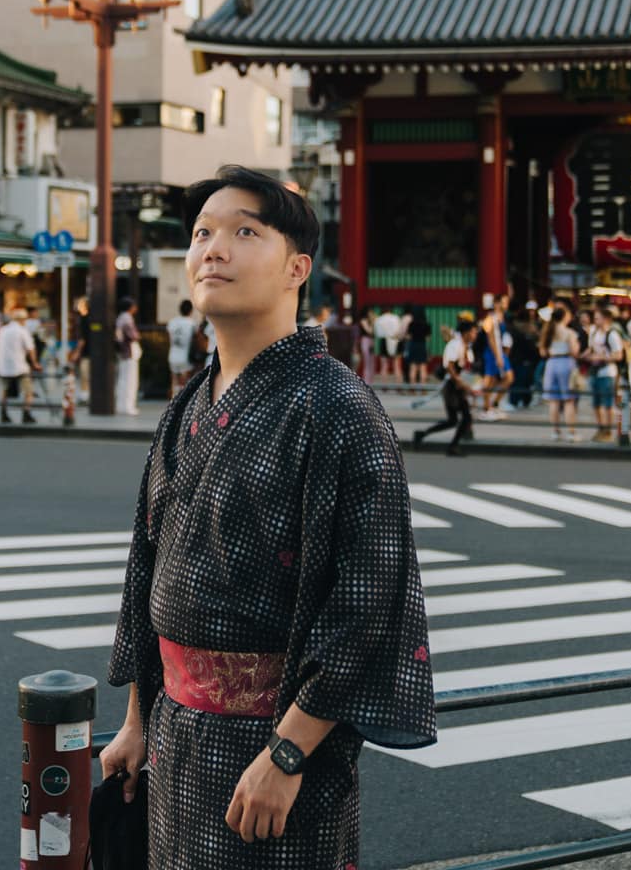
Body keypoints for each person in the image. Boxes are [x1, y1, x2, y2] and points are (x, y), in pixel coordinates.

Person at [102, 166, 435, 864]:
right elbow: (147, 568)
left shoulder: (336, 406)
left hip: (275, 750)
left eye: (242, 232)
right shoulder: (188, 404)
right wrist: (137, 719)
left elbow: (368, 597)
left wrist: (287, 754)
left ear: (296, 269)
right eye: (201, 234)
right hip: (175, 734)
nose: (211, 250)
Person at [414, 318, 479, 456]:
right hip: (452, 387)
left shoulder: (468, 348)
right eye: (473, 332)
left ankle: (426, 436)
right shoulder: (454, 345)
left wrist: (470, 385)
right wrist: (460, 382)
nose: (475, 335)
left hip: (460, 386)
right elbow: (449, 366)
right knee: (456, 419)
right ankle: (449, 444)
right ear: (466, 332)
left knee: (459, 419)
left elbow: (468, 369)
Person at [538, 306, 580, 442]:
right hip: (566, 362)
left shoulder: (547, 331)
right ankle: (571, 433)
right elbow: (574, 351)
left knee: (554, 401)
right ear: (564, 317)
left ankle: (555, 432)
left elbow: (542, 352)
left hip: (551, 364)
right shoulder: (569, 333)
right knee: (569, 400)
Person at [0, 308, 40, 424]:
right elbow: (31, 349)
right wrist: (35, 363)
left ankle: (3, 412)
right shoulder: (22, 331)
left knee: (5, 389)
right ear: (22, 319)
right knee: (28, 390)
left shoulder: (3, 330)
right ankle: (26, 413)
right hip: (19, 365)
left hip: (4, 366)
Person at [586, 309, 624, 441]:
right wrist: (586, 355)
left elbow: (619, 355)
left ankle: (607, 431)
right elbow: (590, 348)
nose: (595, 321)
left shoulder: (612, 335)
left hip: (607, 372)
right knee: (596, 403)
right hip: (594, 370)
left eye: (598, 318)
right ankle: (601, 428)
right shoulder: (593, 332)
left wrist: (602, 357)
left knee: (608, 403)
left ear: (606, 319)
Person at [116, 296, 142, 415]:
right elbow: (134, 336)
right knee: (130, 381)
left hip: (123, 353)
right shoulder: (127, 319)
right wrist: (137, 335)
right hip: (129, 352)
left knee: (122, 380)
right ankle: (128, 406)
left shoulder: (120, 318)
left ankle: (121, 405)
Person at [166, 300, 198, 389]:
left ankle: (173, 401)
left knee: (174, 383)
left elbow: (169, 339)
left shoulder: (172, 322)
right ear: (191, 310)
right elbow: (196, 339)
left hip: (172, 354)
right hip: (185, 356)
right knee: (184, 385)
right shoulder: (192, 323)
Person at [403, 305, 432, 385]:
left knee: (413, 367)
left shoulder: (411, 324)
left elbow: (408, 337)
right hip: (422, 346)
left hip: (413, 345)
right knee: (423, 367)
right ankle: (423, 388)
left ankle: (413, 389)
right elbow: (428, 339)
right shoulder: (427, 325)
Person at [374, 306, 403, 382]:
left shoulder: (379, 319)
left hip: (384, 341)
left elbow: (377, 333)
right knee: (397, 365)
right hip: (395, 340)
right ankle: (398, 385)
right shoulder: (395, 318)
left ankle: (384, 387)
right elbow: (399, 331)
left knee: (384, 365)